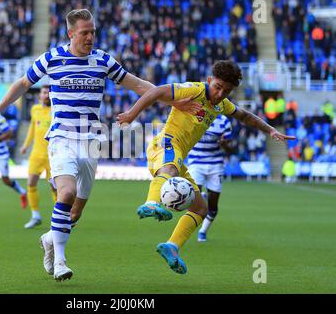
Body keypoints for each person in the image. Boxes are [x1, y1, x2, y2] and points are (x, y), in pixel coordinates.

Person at [0, 9, 195, 281]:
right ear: (71, 33)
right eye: (84, 32)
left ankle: (48, 239)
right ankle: (60, 261)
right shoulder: (53, 58)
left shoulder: (103, 60)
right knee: (65, 194)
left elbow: (138, 85)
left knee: (75, 213)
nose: (90, 37)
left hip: (91, 141)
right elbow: (22, 84)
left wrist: (174, 100)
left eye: (93, 32)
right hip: (62, 139)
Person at [117, 60, 295, 274]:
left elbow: (246, 116)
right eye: (218, 87)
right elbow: (157, 92)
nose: (220, 93)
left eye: (226, 91)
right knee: (170, 169)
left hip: (180, 157)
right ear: (210, 80)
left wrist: (270, 131)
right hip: (166, 143)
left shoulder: (221, 105)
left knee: (201, 208)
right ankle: (152, 203)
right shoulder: (195, 90)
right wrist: (131, 115)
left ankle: (172, 247)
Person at [186, 114, 234, 242]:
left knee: (213, 207)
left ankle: (203, 231)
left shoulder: (223, 121)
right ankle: (201, 195)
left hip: (215, 165)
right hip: (196, 162)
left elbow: (230, 148)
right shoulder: (195, 116)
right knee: (193, 199)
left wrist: (224, 144)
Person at [20, 86, 57, 229]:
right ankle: (35, 215)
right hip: (36, 154)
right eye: (44, 92)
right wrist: (25, 145)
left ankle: (60, 217)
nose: (46, 94)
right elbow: (32, 128)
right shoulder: (35, 109)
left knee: (54, 188)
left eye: (48, 92)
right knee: (30, 183)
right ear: (40, 95)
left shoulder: (56, 110)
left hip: (52, 155)